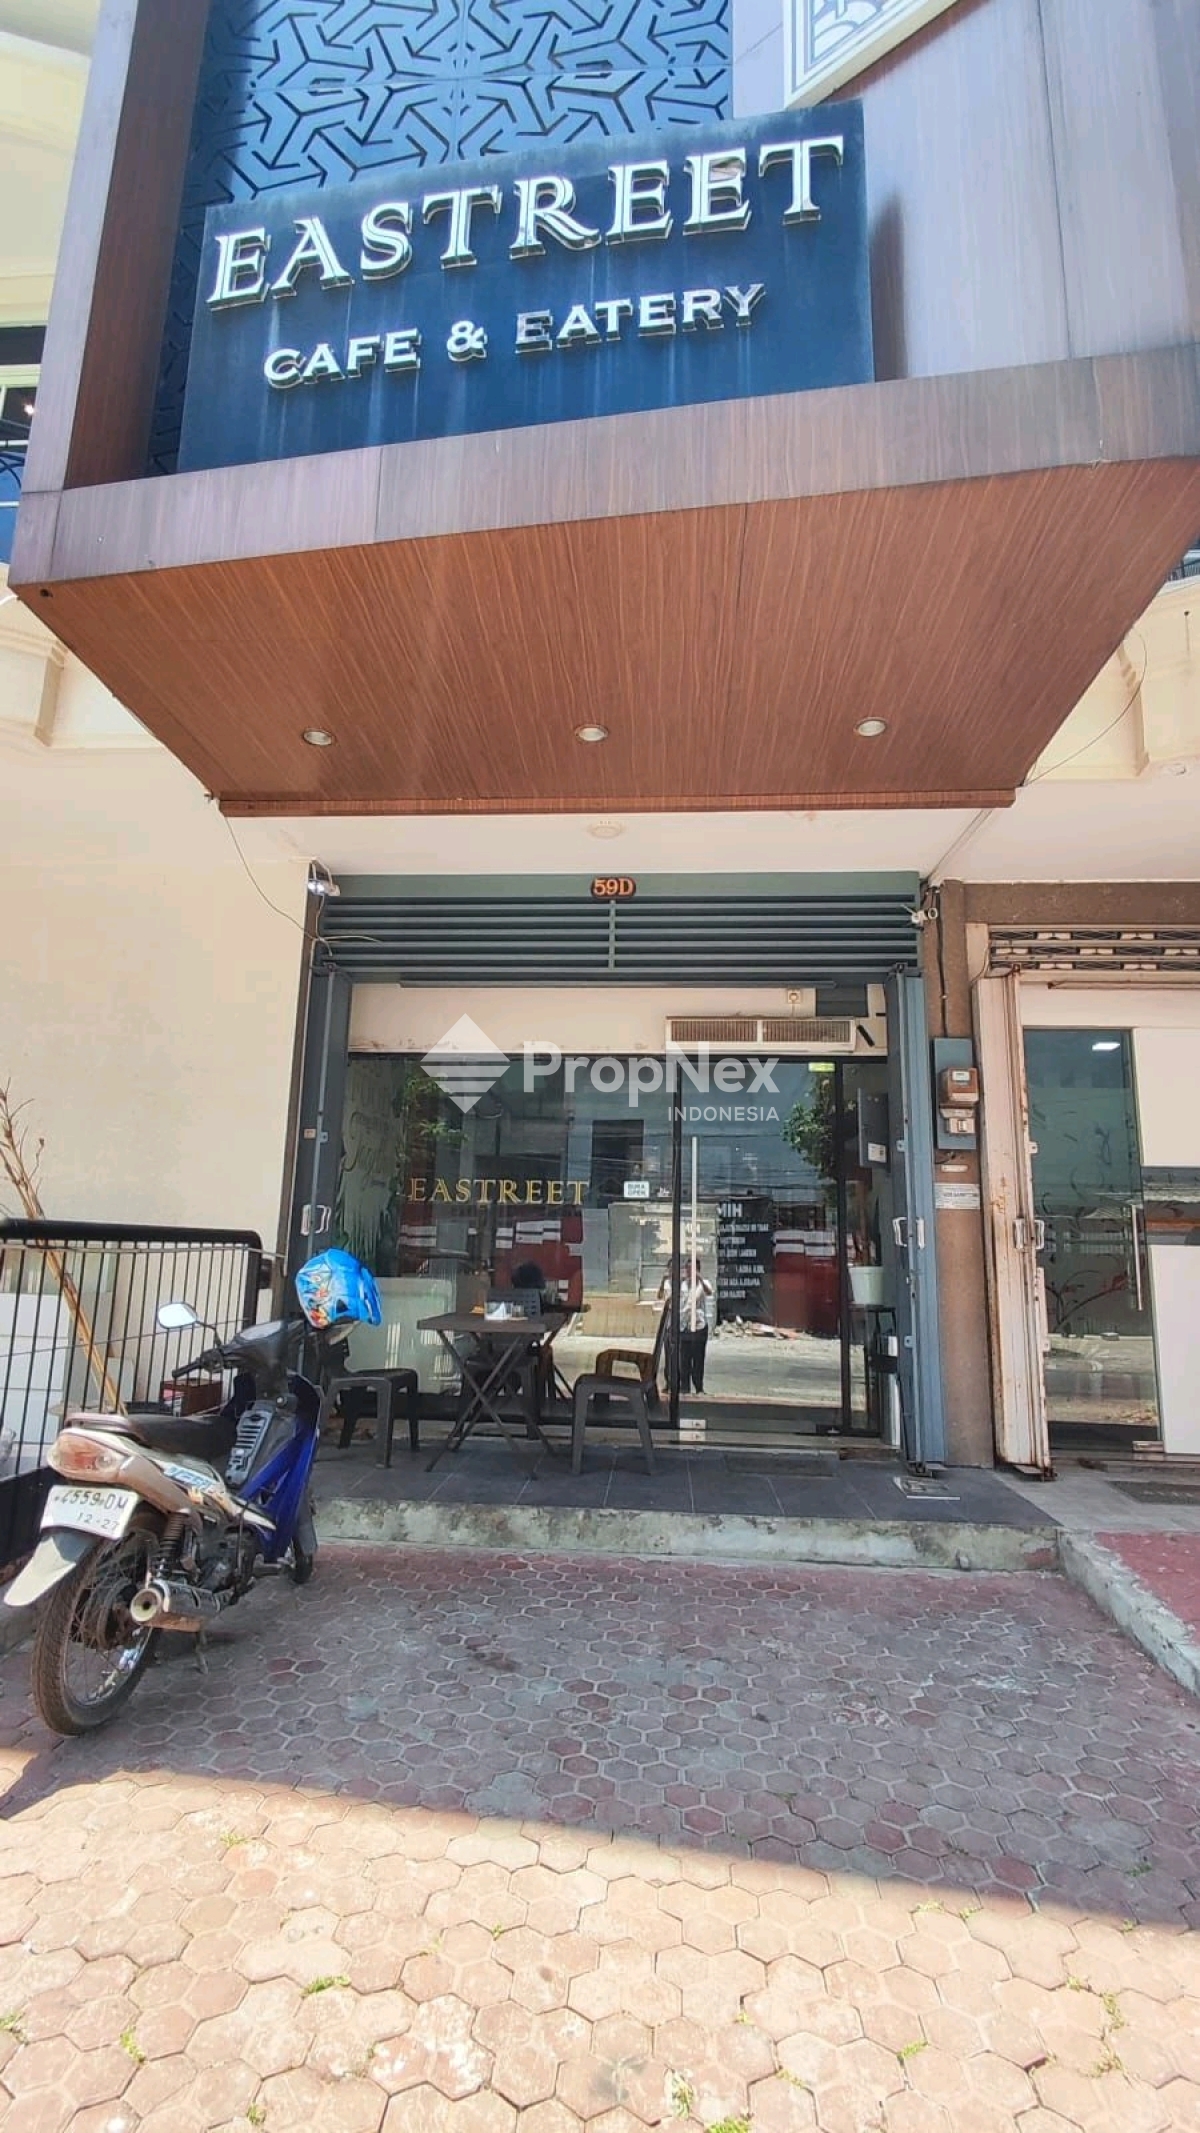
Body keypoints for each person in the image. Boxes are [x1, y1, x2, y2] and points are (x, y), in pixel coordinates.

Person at [658, 1257, 715, 1393]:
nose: (689, 1271)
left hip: (699, 1324)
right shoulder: (683, 1285)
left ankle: (699, 1387)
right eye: (688, 1269)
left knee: (698, 1358)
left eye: (691, 1269)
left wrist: (699, 1278)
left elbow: (708, 1292)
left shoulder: (703, 1283)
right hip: (685, 1325)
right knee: (684, 1359)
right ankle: (684, 1387)